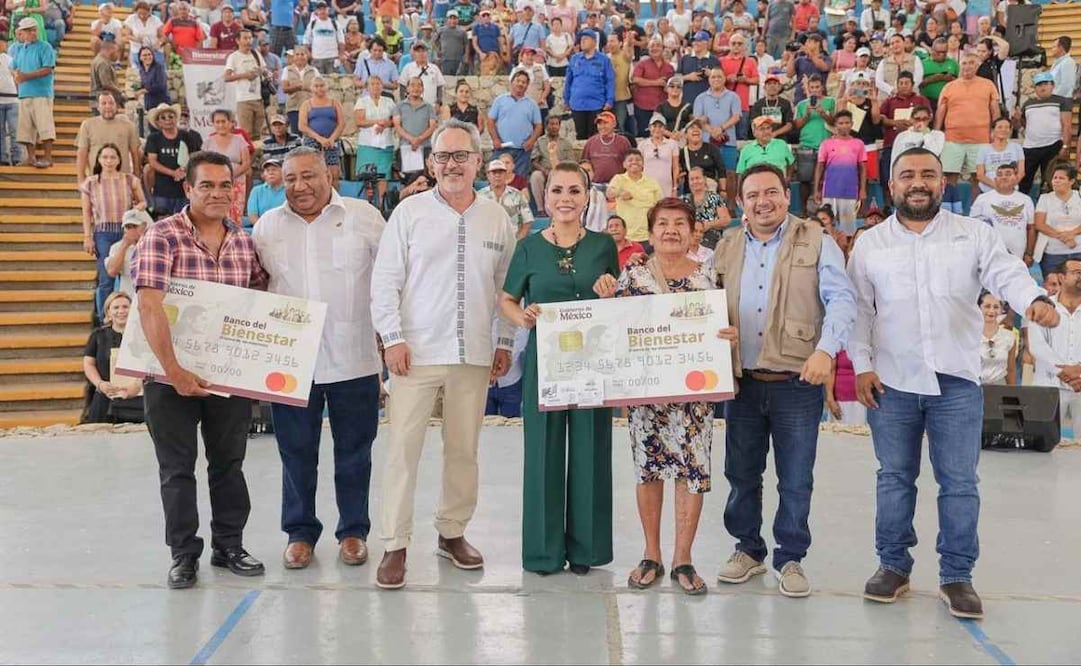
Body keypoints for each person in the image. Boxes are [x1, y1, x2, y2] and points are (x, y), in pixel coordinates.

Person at [848, 147, 1059, 619]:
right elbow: (860, 311)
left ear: (943, 183)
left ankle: (957, 576)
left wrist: (1033, 300)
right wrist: (861, 365)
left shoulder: (974, 235)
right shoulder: (870, 245)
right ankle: (893, 566)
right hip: (893, 383)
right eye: (907, 175)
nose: (918, 182)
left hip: (956, 383)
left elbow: (1006, 273)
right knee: (895, 479)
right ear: (892, 184)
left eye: (928, 174)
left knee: (960, 483)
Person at [370, 119, 517, 590]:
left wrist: (504, 341)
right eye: (443, 156)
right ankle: (394, 543)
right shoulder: (409, 213)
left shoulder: (498, 218)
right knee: (402, 452)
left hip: (473, 351)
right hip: (414, 352)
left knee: (463, 450)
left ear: (478, 160)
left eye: (461, 156)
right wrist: (391, 337)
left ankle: (452, 532)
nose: (452, 164)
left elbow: (505, 289)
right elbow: (384, 280)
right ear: (431, 163)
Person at [709, 163, 856, 599]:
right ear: (741, 203)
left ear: (786, 196)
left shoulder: (817, 239)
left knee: (795, 477)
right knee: (741, 472)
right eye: (752, 195)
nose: (762, 202)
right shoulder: (728, 244)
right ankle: (748, 550)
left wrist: (825, 351)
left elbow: (841, 299)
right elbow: (706, 301)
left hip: (797, 380)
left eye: (770, 192)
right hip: (743, 381)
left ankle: (790, 556)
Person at [133, 151, 270, 590]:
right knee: (177, 468)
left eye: (224, 185)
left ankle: (229, 545)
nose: (216, 193)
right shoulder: (161, 236)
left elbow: (257, 306)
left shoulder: (245, 241)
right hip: (167, 376)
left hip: (227, 377)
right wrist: (174, 370)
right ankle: (183, 555)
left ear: (235, 190)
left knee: (229, 463)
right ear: (188, 189)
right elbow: (150, 307)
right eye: (206, 185)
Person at [249, 146, 384, 571]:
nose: (299, 186)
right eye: (290, 179)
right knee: (295, 451)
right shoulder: (267, 227)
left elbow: (391, 280)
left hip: (354, 357)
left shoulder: (365, 218)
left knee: (355, 452)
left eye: (308, 176)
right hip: (291, 364)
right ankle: (300, 533)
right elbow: (255, 290)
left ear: (329, 175)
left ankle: (353, 532)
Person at [589, 198, 729, 594]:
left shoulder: (709, 278)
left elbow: (722, 326)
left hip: (695, 398)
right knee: (649, 471)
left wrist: (727, 336)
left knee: (692, 473)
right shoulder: (633, 276)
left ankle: (683, 558)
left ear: (692, 231)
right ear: (650, 234)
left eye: (680, 223)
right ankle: (651, 553)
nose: (671, 230)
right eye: (663, 224)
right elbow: (614, 329)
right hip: (647, 396)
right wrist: (605, 299)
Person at [499, 161, 619, 576]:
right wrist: (523, 318)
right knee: (543, 454)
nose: (565, 199)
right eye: (557, 191)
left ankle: (585, 550)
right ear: (544, 197)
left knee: (590, 451)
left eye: (574, 191)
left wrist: (610, 294)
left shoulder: (604, 246)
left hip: (592, 365)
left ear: (588, 197)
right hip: (545, 363)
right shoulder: (529, 245)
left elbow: (619, 305)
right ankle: (543, 553)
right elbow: (507, 301)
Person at [80, 143, 147, 319]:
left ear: (119, 160)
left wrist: (134, 210)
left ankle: (131, 316)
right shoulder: (91, 182)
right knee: (106, 277)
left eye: (113, 157)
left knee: (132, 273)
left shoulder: (130, 179)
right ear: (98, 160)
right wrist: (88, 237)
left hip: (127, 229)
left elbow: (143, 202)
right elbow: (86, 212)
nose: (109, 161)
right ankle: (105, 318)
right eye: (105, 157)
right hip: (103, 232)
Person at [935, 54, 1000, 212]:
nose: (967, 66)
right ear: (960, 65)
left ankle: (977, 211)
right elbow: (941, 110)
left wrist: (996, 130)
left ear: (977, 66)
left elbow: (995, 109)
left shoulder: (988, 85)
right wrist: (936, 133)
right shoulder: (949, 87)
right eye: (964, 63)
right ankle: (949, 210)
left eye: (971, 63)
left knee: (978, 178)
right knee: (949, 177)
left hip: (980, 139)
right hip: (953, 139)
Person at [1028, 258, 1081, 435]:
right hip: (1049, 386)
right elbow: (1037, 346)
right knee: (1043, 442)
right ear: (1061, 277)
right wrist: (1065, 372)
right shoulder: (1043, 306)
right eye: (1077, 273)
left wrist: (1078, 370)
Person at [82, 291, 144, 424]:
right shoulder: (97, 335)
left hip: (138, 399)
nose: (121, 311)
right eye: (116, 307)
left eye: (125, 307)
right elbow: (88, 363)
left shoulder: (143, 334)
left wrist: (137, 386)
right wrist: (100, 384)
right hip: (105, 398)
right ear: (108, 313)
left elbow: (151, 364)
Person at [1016, 72, 1072, 197]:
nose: (1042, 87)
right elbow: (1021, 126)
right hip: (1030, 147)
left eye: (1046, 84)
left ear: (1052, 85)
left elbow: (1067, 124)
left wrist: (1065, 146)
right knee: (1024, 181)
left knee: (1049, 181)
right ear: (1035, 88)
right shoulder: (1028, 103)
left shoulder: (1061, 101)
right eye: (1039, 84)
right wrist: (1016, 118)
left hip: (1052, 145)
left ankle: (1047, 209)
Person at [9, 17, 55, 168]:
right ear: (21, 33)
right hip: (24, 93)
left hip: (41, 92)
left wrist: (24, 77)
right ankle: (31, 158)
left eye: (34, 29)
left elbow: (48, 69)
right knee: (26, 128)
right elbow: (13, 67)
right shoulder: (20, 49)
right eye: (29, 30)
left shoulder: (45, 47)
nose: (33, 33)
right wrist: (16, 75)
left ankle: (48, 158)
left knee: (45, 126)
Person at [693, 68, 742, 206]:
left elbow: (736, 116)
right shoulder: (701, 97)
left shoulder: (733, 96)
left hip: (728, 142)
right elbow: (698, 120)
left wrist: (720, 128)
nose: (716, 79)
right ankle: (707, 206)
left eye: (719, 77)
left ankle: (731, 207)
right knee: (707, 175)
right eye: (713, 77)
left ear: (724, 79)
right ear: (709, 80)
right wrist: (711, 130)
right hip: (706, 143)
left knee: (730, 174)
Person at [813, 110, 866, 235]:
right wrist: (816, 189)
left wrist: (863, 189)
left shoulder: (858, 144)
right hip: (830, 190)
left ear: (852, 124)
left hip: (850, 190)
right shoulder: (826, 144)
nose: (844, 126)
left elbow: (862, 168)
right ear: (835, 125)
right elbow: (819, 167)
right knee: (826, 225)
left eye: (847, 122)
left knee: (848, 227)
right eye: (841, 123)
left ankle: (847, 251)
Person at [970, 162, 1035, 264]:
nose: (1004, 177)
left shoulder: (1026, 200)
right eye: (1000, 175)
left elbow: (1031, 228)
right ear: (995, 179)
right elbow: (973, 228)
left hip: (1018, 257)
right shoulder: (982, 199)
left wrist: (1029, 254)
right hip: (989, 257)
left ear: (1016, 178)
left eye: (1008, 174)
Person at [144, 102, 202, 218]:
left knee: (185, 221)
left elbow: (194, 157)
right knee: (162, 222)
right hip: (162, 189)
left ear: (176, 118)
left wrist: (184, 171)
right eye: (163, 118)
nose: (167, 120)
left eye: (171, 116)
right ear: (158, 122)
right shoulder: (154, 139)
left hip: (184, 189)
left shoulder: (187, 136)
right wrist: (172, 173)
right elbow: (152, 162)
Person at [877, 71, 930, 186]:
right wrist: (895, 122)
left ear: (912, 85)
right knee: (888, 177)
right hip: (892, 143)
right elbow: (881, 118)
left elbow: (928, 117)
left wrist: (914, 123)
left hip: (916, 144)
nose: (903, 86)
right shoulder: (889, 101)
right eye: (901, 83)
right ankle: (889, 203)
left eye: (906, 83)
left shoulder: (921, 100)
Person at [793, 76, 836, 214]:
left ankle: (825, 211)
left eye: (817, 87)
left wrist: (822, 112)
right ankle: (804, 210)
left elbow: (835, 121)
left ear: (822, 87)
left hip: (826, 145)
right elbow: (797, 125)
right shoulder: (801, 104)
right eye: (812, 87)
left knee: (826, 180)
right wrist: (807, 114)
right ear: (808, 89)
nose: (815, 90)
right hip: (806, 145)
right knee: (805, 180)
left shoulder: (830, 101)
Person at [75, 93, 141, 183]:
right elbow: (82, 153)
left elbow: (135, 153)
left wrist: (137, 175)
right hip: (96, 179)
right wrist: (81, 178)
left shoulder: (129, 126)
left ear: (116, 106)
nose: (108, 106)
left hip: (123, 180)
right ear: (98, 107)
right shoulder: (87, 125)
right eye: (104, 103)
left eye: (111, 103)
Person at [488, 70, 542, 178]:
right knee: (496, 178)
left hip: (522, 151)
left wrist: (531, 140)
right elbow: (490, 121)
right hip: (502, 148)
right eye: (518, 81)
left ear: (527, 85)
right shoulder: (500, 100)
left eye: (524, 82)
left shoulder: (532, 104)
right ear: (512, 82)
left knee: (519, 181)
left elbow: (538, 126)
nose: (520, 84)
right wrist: (495, 139)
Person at [564, 29, 615, 140]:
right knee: (580, 136)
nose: (582, 41)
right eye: (581, 39)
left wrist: (609, 100)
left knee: (595, 137)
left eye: (585, 39)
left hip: (596, 104)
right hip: (577, 104)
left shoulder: (604, 60)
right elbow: (568, 81)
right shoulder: (574, 59)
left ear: (594, 42)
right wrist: (566, 99)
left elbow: (610, 81)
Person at [354, 75, 396, 209]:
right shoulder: (362, 101)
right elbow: (359, 121)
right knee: (369, 175)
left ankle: (382, 204)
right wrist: (377, 122)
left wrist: (385, 124)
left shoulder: (389, 101)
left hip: (385, 143)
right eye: (372, 84)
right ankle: (369, 205)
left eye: (378, 84)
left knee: (383, 174)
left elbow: (395, 120)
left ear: (382, 86)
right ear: (367, 87)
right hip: (367, 144)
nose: (375, 86)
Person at [203, 109, 251, 225]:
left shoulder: (239, 140)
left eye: (223, 121)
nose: (221, 125)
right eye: (217, 122)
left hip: (236, 184)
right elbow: (204, 164)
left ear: (231, 123)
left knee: (235, 217)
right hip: (215, 186)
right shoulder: (208, 142)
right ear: (213, 124)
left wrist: (229, 177)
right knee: (218, 216)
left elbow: (246, 163)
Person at [607, 150, 663, 247]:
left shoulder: (652, 182)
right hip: (626, 237)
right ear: (624, 164)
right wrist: (620, 193)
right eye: (630, 160)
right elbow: (609, 193)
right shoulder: (619, 179)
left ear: (643, 163)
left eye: (638, 160)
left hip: (648, 236)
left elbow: (660, 206)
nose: (634, 162)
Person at [298, 76, 345, 188]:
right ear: (311, 88)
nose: (319, 88)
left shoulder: (335, 103)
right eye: (316, 86)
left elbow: (341, 123)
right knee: (312, 171)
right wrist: (318, 138)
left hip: (332, 141)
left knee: (333, 172)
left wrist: (332, 138)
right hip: (312, 141)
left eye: (322, 85)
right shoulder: (306, 104)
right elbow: (302, 126)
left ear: (327, 87)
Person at [1034, 165, 1081, 277]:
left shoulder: (1079, 196)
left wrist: (1071, 234)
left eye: (1061, 178)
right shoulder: (1045, 198)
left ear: (1071, 181)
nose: (1056, 181)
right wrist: (1064, 238)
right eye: (1055, 178)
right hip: (1053, 253)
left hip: (1078, 250)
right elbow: (1040, 224)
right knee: (1053, 286)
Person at [224, 30, 266, 141]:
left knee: (258, 134)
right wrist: (244, 75)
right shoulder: (234, 57)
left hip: (258, 98)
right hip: (244, 99)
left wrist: (261, 73)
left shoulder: (256, 53)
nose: (248, 41)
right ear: (238, 40)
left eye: (250, 38)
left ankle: (258, 157)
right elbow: (226, 77)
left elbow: (264, 69)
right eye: (245, 38)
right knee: (247, 134)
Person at [530, 114, 575, 214]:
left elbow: (571, 163)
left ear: (559, 126)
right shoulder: (540, 141)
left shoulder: (565, 143)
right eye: (551, 124)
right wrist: (544, 170)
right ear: (546, 126)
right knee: (535, 176)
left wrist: (559, 171)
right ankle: (541, 210)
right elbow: (534, 161)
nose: (554, 126)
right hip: (544, 170)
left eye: (556, 124)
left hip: (562, 172)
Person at [393, 76, 438, 175]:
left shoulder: (429, 107)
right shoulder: (399, 106)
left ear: (423, 89)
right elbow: (397, 126)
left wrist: (419, 139)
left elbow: (432, 126)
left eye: (419, 85)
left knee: (425, 178)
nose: (416, 88)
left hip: (425, 148)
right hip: (405, 148)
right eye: (412, 85)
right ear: (407, 88)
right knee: (406, 180)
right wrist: (412, 139)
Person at [479, 158, 533, 239]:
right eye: (494, 172)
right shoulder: (479, 196)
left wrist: (517, 241)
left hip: (512, 242)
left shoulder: (517, 195)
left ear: (505, 174)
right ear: (488, 175)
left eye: (500, 172)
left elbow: (527, 221)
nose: (497, 175)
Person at [632, 40, 675, 138]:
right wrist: (656, 82)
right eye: (652, 46)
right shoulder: (642, 64)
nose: (655, 48)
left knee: (662, 135)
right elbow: (636, 80)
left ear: (663, 49)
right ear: (648, 49)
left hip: (662, 107)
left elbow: (671, 86)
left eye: (658, 46)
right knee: (644, 134)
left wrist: (667, 87)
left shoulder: (669, 67)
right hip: (643, 106)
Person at [105, 208, 151, 299]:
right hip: (128, 297)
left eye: (134, 226)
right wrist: (125, 245)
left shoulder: (154, 244)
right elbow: (112, 271)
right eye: (128, 227)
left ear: (144, 226)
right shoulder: (117, 247)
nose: (131, 230)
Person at [580, 110, 632, 185]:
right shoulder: (591, 142)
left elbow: (630, 163)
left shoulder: (623, 141)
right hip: (595, 185)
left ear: (614, 124)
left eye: (605, 123)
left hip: (618, 185)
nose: (602, 126)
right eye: (599, 124)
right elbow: (584, 165)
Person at [977, 292, 1017, 386]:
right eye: (987, 306)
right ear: (979, 308)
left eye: (996, 307)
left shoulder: (1009, 337)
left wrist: (1012, 394)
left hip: (999, 388)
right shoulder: (970, 336)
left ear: (1001, 310)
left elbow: (1011, 370)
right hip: (975, 388)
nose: (991, 311)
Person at [890, 105, 944, 171]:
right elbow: (895, 159)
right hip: (908, 169)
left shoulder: (937, 135)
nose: (921, 122)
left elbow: (935, 152)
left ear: (929, 119)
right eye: (917, 119)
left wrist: (926, 133)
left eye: (924, 119)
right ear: (911, 119)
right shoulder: (902, 136)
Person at [639, 113, 679, 198]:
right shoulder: (642, 144)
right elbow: (639, 167)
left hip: (666, 186)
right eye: (654, 126)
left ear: (664, 128)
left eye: (660, 126)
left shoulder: (672, 144)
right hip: (646, 186)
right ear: (649, 128)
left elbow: (675, 168)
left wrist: (675, 188)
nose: (657, 129)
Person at [678, 32, 719, 112]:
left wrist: (711, 74)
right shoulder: (685, 59)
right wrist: (688, 77)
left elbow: (722, 81)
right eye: (694, 40)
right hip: (687, 102)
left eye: (699, 41)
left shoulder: (714, 60)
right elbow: (675, 79)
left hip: (709, 103)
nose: (696, 43)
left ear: (707, 43)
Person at [281, 46, 318, 136]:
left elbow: (318, 88)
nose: (300, 57)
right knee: (296, 135)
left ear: (307, 56)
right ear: (294, 57)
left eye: (302, 54)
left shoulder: (314, 70)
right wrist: (297, 87)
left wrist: (303, 87)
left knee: (311, 133)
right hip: (294, 107)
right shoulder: (287, 70)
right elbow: (285, 89)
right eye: (297, 54)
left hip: (311, 108)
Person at [399, 41, 445, 109]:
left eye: (423, 51)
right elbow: (402, 87)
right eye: (418, 51)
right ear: (414, 53)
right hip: (412, 107)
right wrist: (404, 104)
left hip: (431, 107)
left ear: (427, 53)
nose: (421, 54)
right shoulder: (408, 68)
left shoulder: (434, 68)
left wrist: (438, 103)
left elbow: (439, 87)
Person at [875, 33, 923, 98]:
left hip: (911, 97)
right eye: (892, 43)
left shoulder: (915, 59)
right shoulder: (884, 62)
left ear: (904, 43)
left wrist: (906, 89)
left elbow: (918, 78)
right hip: (888, 98)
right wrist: (891, 90)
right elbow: (878, 81)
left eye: (897, 41)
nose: (895, 45)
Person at [789, 34, 832, 106]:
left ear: (817, 43)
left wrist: (810, 53)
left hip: (819, 96)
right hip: (800, 96)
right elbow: (789, 74)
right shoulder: (800, 59)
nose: (805, 44)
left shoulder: (826, 58)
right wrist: (792, 55)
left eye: (809, 42)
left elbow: (824, 67)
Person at [918, 38, 957, 113]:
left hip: (949, 101)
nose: (942, 54)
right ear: (932, 50)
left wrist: (951, 78)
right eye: (938, 52)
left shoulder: (953, 63)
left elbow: (961, 82)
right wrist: (932, 79)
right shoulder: (922, 64)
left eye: (944, 52)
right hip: (928, 101)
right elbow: (917, 85)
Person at [304, 1, 342, 74]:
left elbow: (341, 40)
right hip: (317, 58)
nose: (322, 11)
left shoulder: (335, 23)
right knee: (317, 82)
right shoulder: (312, 24)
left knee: (333, 82)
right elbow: (306, 40)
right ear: (317, 11)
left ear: (328, 10)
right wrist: (308, 53)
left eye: (324, 9)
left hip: (332, 57)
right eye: (320, 9)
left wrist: (341, 54)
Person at [246, 157, 285, 224]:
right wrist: (263, 228)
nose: (271, 172)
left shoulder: (289, 190)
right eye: (267, 170)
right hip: (262, 228)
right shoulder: (256, 191)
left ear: (283, 172)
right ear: (263, 175)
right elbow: (252, 215)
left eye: (274, 169)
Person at [89, 38, 123, 112]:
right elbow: (106, 83)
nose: (117, 55)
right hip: (104, 102)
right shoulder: (103, 63)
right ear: (110, 49)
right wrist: (120, 92)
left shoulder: (97, 60)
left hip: (98, 101)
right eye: (116, 51)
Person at [134, 46, 169, 117]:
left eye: (149, 54)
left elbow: (160, 85)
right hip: (149, 104)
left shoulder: (159, 68)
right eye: (144, 55)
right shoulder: (142, 70)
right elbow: (144, 84)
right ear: (140, 58)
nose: (148, 57)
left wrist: (143, 90)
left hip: (161, 104)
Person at [433, 9, 467, 76]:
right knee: (447, 78)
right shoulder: (441, 30)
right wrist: (438, 51)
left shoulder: (462, 31)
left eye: (455, 18)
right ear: (447, 19)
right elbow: (434, 41)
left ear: (458, 20)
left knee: (458, 78)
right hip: (445, 59)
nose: (452, 20)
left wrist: (466, 56)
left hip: (458, 59)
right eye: (450, 18)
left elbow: (466, 44)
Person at [1049, 36, 1077, 101]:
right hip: (1055, 99)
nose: (1051, 49)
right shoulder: (1057, 63)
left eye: (1054, 47)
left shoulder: (1068, 62)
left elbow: (1066, 85)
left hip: (1062, 101)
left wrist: (1053, 98)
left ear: (1061, 48)